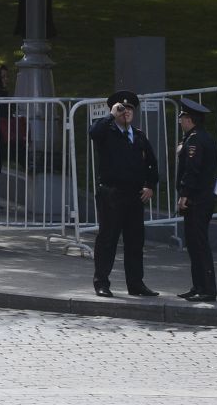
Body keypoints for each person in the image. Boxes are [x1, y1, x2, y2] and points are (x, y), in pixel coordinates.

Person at [89, 90, 159, 298]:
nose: (126, 112)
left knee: (135, 241)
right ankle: (101, 282)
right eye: (122, 108)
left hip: (134, 195)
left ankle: (136, 283)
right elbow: (93, 132)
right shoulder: (107, 131)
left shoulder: (138, 136)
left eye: (129, 109)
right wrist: (111, 115)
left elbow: (152, 165)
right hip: (112, 193)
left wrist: (150, 185)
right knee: (107, 239)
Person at [173, 98, 217, 302]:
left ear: (189, 119)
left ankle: (207, 289)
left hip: (197, 199)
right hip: (201, 198)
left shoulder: (194, 141)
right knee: (193, 243)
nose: (179, 121)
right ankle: (198, 285)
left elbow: (192, 170)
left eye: (181, 117)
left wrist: (184, 195)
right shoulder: (201, 137)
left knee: (198, 243)